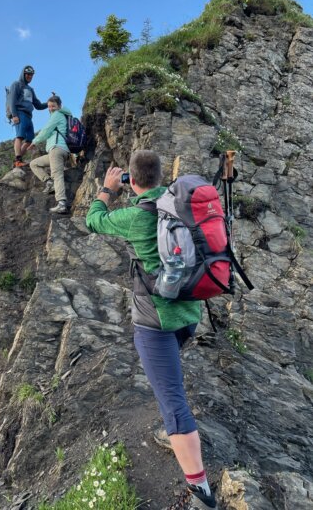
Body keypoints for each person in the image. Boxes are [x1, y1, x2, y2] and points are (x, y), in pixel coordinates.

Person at [86, 150, 217, 510]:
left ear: (132, 179)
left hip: (154, 322)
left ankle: (201, 493)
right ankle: (174, 433)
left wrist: (107, 189)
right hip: (190, 313)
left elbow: (93, 221)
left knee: (173, 401)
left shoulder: (132, 216)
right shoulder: (177, 203)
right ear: (160, 176)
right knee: (170, 380)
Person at [29, 94, 72, 214]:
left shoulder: (57, 115)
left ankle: (61, 203)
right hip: (59, 150)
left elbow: (46, 130)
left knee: (57, 175)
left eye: (53, 106)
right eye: (49, 106)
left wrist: (34, 142)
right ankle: (49, 183)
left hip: (57, 149)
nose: (50, 108)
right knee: (34, 164)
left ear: (59, 106)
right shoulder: (62, 115)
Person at [6, 65, 48, 168]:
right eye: (28, 74)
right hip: (20, 113)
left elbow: (37, 105)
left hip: (29, 116)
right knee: (20, 136)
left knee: (30, 139)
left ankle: (18, 160)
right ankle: (18, 161)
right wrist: (14, 115)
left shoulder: (30, 89)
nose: (29, 76)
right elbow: (12, 100)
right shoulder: (16, 84)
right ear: (23, 74)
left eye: (31, 75)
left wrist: (49, 103)